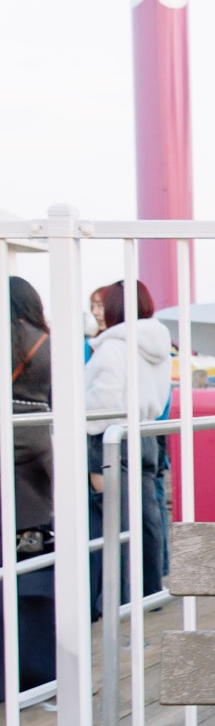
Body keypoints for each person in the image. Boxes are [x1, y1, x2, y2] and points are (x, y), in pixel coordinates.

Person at [85, 279, 173, 614]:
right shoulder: (157, 344)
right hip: (146, 435)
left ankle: (117, 598)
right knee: (148, 517)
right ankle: (150, 590)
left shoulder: (113, 346)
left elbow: (104, 399)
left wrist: (79, 408)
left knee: (113, 521)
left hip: (110, 438)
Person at [2, 278, 57, 696]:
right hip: (37, 443)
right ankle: (38, 670)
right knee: (34, 553)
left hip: (5, 437)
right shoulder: (46, 342)